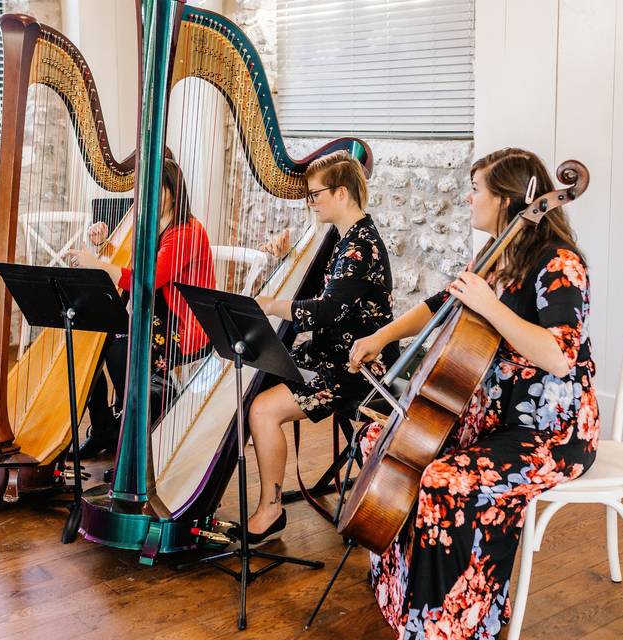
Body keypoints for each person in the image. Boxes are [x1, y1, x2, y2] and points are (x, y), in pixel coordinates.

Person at [348, 147, 599, 639]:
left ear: (506, 199)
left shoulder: (560, 263)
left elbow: (559, 355)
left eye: (476, 188)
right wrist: (380, 337)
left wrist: (491, 306)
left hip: (550, 434)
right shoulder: (495, 255)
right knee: (380, 440)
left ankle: (452, 621)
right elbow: (441, 304)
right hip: (486, 419)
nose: (468, 197)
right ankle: (402, 598)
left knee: (445, 480)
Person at [238, 150, 399, 543]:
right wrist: (287, 256)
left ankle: (271, 509)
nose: (311, 203)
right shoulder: (347, 238)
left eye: (314, 195)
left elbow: (327, 310)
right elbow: (330, 290)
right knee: (255, 370)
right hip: (331, 354)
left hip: (359, 368)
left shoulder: (361, 246)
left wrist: (273, 305)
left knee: (261, 407)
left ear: (341, 192)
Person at [67, 158, 216, 458]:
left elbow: (148, 279)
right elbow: (131, 266)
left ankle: (148, 431)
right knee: (88, 336)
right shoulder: (151, 225)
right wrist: (104, 246)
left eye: (158, 190)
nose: (149, 198)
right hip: (156, 318)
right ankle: (105, 427)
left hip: (187, 324)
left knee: (121, 349)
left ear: (175, 192)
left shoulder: (186, 231)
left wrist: (97, 264)